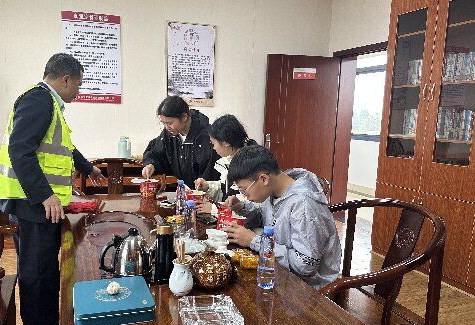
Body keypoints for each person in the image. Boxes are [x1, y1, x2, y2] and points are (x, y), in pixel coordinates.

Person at [0, 53, 104, 325]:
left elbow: (64, 148)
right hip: (33, 205)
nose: (78, 92)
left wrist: (88, 168)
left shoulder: (50, 104)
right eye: (77, 85)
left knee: (45, 273)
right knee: (38, 276)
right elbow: (20, 150)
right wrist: (45, 196)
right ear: (65, 79)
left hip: (36, 204)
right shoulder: (39, 100)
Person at [222, 145, 341, 289]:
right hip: (278, 270)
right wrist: (242, 206)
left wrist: (254, 241)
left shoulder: (304, 204)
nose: (244, 195)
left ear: (263, 179)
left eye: (244, 190)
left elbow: (305, 265)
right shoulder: (275, 188)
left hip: (309, 287)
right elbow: (269, 215)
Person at [142, 96, 218, 188]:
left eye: (169, 123)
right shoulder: (168, 134)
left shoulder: (206, 137)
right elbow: (156, 153)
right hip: (182, 190)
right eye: (163, 123)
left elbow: (210, 172)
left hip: (204, 192)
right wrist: (151, 165)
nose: (166, 127)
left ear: (184, 117)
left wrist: (202, 188)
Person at [193, 114, 257, 215]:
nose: (213, 148)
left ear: (226, 142)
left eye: (213, 143)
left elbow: (248, 204)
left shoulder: (249, 164)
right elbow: (226, 189)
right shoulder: (229, 160)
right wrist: (208, 187)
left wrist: (216, 209)